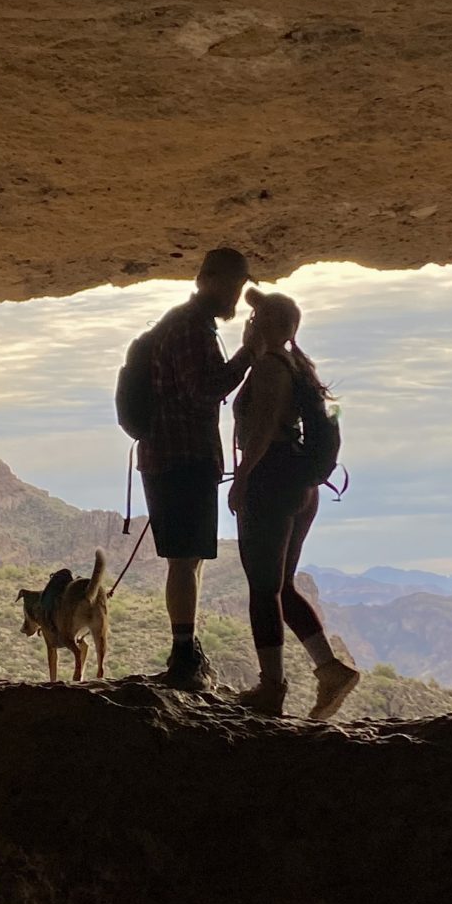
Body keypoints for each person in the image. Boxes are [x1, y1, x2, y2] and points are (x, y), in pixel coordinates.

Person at [228, 287, 362, 720]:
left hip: (270, 482)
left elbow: (264, 427)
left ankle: (272, 689)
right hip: (301, 486)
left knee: (263, 590)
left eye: (253, 319)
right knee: (281, 584)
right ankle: (329, 669)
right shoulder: (296, 366)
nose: (247, 324)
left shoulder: (269, 367)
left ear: (262, 326)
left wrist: (242, 480)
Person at [137, 247, 253, 689]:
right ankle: (183, 656)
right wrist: (248, 353)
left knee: (191, 558)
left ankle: (186, 648)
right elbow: (203, 392)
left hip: (177, 457)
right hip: (178, 458)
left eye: (239, 286)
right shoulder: (189, 329)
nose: (236, 295)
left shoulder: (189, 325)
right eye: (231, 285)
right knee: (185, 560)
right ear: (206, 279)